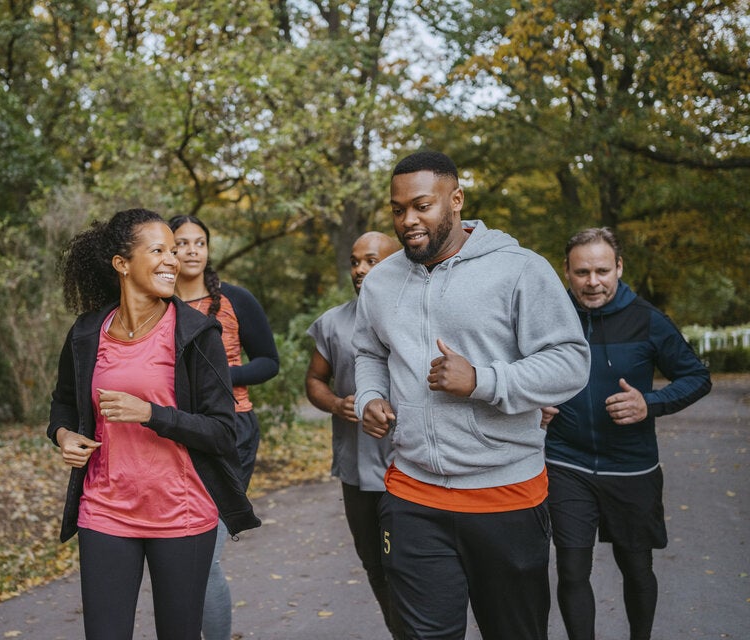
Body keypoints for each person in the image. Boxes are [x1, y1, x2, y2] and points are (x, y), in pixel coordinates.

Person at [352, 150, 591, 640]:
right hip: (412, 495)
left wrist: (484, 380)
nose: (408, 220)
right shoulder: (381, 282)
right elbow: (369, 352)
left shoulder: (520, 270)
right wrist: (369, 397)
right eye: (398, 210)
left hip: (505, 496)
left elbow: (570, 361)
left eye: (422, 206)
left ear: (456, 199)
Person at [47, 208, 260, 640]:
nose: (172, 260)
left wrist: (150, 413)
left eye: (174, 251)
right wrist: (64, 435)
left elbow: (223, 431)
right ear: (122, 264)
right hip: (105, 509)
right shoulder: (87, 332)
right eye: (159, 250)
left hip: (181, 513)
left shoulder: (197, 333)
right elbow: (63, 403)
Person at [542, 227, 712, 640]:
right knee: (571, 569)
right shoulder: (550, 319)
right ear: (566, 271)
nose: (592, 282)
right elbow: (523, 371)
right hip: (566, 463)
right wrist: (532, 403)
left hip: (631, 467)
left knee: (636, 567)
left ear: (619, 267)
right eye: (582, 272)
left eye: (602, 270)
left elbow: (697, 377)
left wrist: (648, 404)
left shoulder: (648, 320)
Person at [167, 214, 280, 640]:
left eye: (199, 242)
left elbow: (268, 362)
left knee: (204, 557)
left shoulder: (235, 300)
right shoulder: (156, 303)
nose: (192, 250)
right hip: (173, 433)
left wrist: (217, 377)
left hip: (231, 431)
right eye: (182, 243)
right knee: (179, 552)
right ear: (168, 251)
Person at [305, 231, 405, 639]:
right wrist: (335, 404)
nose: (360, 269)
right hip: (357, 472)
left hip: (411, 469)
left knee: (408, 567)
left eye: (371, 261)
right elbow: (314, 380)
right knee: (375, 566)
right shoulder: (333, 323)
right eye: (355, 261)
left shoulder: (418, 316)